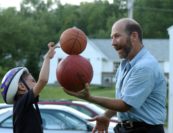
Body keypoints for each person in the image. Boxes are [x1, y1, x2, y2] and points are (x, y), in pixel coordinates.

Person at [64, 18, 167, 133]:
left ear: (134, 36)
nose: (113, 43)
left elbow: (125, 105)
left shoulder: (145, 67)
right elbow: (123, 100)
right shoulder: (124, 66)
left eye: (117, 36)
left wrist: (90, 98)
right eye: (111, 37)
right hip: (126, 128)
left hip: (146, 130)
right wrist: (106, 115)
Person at [0, 42, 57, 133]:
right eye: (33, 81)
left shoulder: (24, 105)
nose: (36, 84)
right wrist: (47, 58)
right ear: (21, 86)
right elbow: (43, 80)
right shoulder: (21, 103)